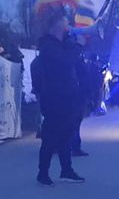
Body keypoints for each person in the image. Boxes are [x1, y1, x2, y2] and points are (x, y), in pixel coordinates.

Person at [30, 11, 86, 186]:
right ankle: (43, 173)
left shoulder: (61, 45)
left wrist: (74, 45)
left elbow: (73, 62)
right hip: (54, 98)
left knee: (65, 136)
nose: (69, 27)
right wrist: (78, 46)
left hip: (66, 97)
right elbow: (66, 62)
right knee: (50, 136)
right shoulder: (48, 47)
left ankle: (66, 169)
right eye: (66, 24)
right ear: (58, 27)